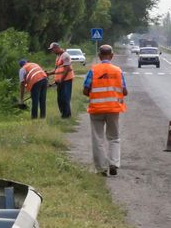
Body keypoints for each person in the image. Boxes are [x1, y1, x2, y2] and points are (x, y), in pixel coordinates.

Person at [83, 44, 128, 175]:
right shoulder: (118, 71)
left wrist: (96, 95)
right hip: (113, 109)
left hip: (96, 109)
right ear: (112, 56)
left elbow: (86, 90)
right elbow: (124, 91)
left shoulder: (93, 70)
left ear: (99, 56)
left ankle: (102, 168)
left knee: (98, 138)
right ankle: (114, 163)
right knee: (114, 137)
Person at [49, 41, 75, 118]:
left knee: (65, 97)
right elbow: (57, 69)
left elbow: (67, 69)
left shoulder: (65, 55)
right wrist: (48, 73)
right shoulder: (58, 56)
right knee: (60, 99)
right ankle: (63, 114)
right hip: (60, 81)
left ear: (57, 48)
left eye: (52, 49)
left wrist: (61, 79)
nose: (52, 51)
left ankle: (67, 115)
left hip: (66, 80)